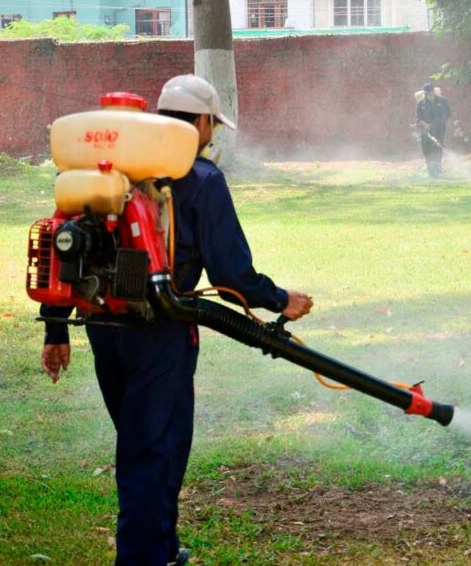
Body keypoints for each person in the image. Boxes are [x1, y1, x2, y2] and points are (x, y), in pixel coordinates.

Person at [39, 75, 314, 566]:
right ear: (202, 122)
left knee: (144, 441)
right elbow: (232, 270)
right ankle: (142, 558)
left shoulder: (105, 168)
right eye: (212, 126)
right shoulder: (201, 178)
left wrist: (55, 328)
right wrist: (279, 300)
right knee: (153, 450)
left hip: (104, 327)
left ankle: (160, 548)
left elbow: (67, 247)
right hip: (162, 331)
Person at [415, 82, 452, 177]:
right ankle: (430, 171)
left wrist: (432, 124)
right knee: (426, 149)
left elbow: (446, 116)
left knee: (437, 148)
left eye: (429, 92)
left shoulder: (443, 101)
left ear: (433, 92)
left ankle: (437, 171)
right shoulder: (421, 103)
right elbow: (417, 118)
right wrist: (422, 123)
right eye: (425, 93)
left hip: (439, 130)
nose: (427, 95)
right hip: (425, 131)